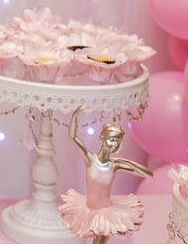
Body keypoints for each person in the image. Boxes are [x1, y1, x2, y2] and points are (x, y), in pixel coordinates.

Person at [59, 105, 152, 244]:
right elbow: (73, 137)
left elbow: (148, 174)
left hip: (106, 212)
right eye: (112, 140)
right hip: (88, 209)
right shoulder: (90, 159)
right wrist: (75, 115)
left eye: (117, 141)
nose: (114, 144)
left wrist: (127, 162)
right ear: (102, 139)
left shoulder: (115, 165)